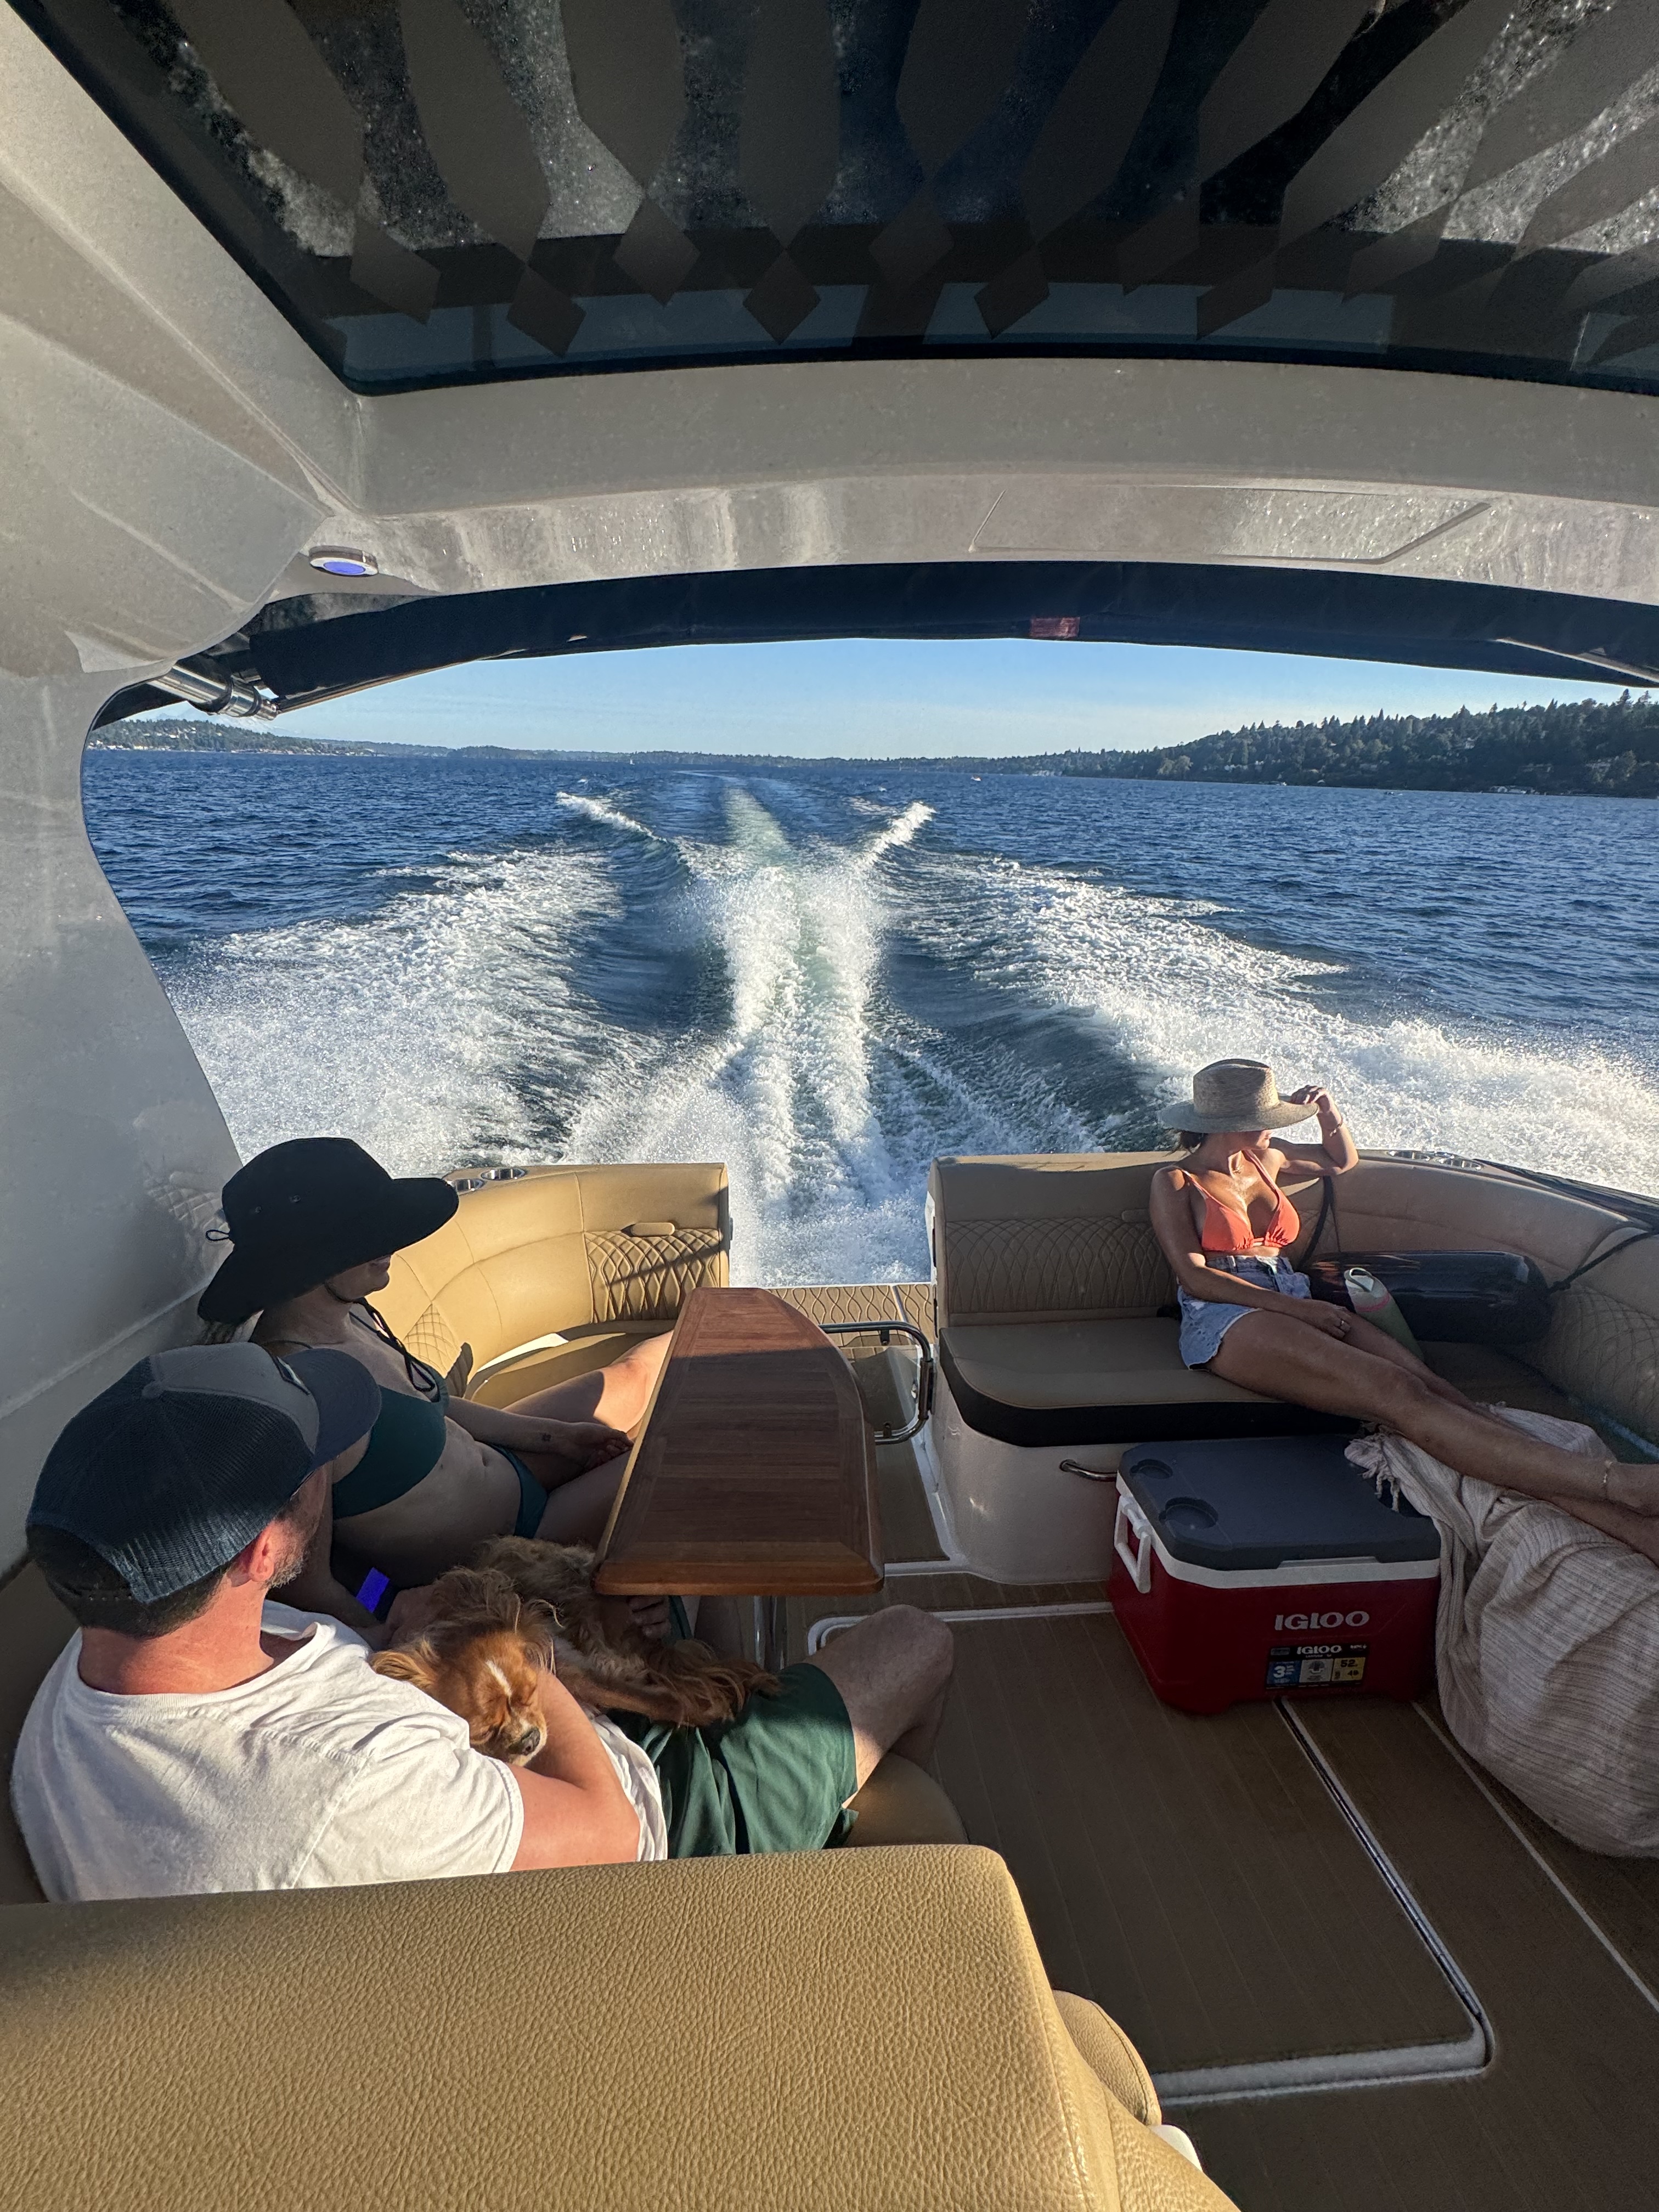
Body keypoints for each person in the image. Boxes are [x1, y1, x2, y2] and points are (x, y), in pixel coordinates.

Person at [12, 1345, 955, 1900]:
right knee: (916, 1642)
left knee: (663, 1592)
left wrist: (398, 1627)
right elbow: (614, 1827)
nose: (333, 1467)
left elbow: (327, 1656)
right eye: (316, 1464)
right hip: (658, 1829)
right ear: (262, 1550)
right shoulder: (346, 1782)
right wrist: (525, 1657)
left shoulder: (93, 1669)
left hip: (486, 1761)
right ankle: (831, 1850)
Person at [1149, 1058, 1659, 1549]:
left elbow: (1339, 1161)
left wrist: (1330, 1115)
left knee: (1434, 1386)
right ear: (1227, 1123)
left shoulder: (1269, 1158)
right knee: (1394, 1389)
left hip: (1291, 1292)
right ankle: (1616, 1487)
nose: (1271, 1128)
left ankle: (1619, 1514)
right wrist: (1302, 1311)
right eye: (1263, 1121)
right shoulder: (1176, 1180)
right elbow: (1196, 1278)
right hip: (1227, 1315)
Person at [196, 1138, 673, 1640]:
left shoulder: (352, 1312)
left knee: (639, 1372)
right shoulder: (303, 1392)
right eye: (369, 1234)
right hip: (515, 1540)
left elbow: (435, 1403)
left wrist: (557, 1438)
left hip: (503, 1466)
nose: (391, 1244)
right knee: (678, 1461)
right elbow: (308, 1584)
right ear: (312, 1260)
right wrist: (389, 1632)